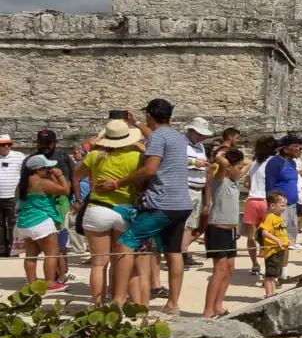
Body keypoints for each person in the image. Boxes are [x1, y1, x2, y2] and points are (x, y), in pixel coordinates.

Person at [99, 100, 194, 315]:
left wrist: (117, 183)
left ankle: (118, 300)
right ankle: (172, 304)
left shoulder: (158, 138)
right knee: (174, 252)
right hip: (182, 203)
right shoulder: (177, 137)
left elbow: (150, 169)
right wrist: (137, 123)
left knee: (125, 244)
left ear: (151, 115)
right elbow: (155, 136)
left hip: (162, 203)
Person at [74, 118, 143, 305]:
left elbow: (76, 174)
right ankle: (117, 300)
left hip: (98, 208)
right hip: (124, 210)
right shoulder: (135, 158)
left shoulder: (95, 156)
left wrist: (80, 198)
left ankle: (98, 305)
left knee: (98, 263)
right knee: (120, 260)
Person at [15, 154, 71, 291]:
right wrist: (60, 175)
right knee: (52, 252)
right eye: (46, 168)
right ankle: (50, 283)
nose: (49, 170)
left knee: (31, 255)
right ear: (38, 170)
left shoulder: (22, 184)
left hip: (25, 222)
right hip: (41, 221)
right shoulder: (42, 182)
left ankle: (31, 283)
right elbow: (65, 190)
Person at [203, 148, 246, 318]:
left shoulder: (235, 181)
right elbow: (222, 163)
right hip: (217, 230)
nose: (242, 170)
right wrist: (220, 156)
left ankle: (218, 306)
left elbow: (248, 161)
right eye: (239, 167)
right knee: (219, 270)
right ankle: (207, 311)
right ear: (230, 167)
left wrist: (238, 160)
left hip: (230, 231)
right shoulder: (219, 180)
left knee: (229, 270)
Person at [264, 135, 302, 278]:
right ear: (286, 149)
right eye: (297, 147)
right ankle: (273, 273)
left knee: (287, 241)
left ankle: (283, 271)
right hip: (279, 209)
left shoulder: (292, 164)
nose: (300, 149)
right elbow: (269, 186)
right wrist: (272, 208)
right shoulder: (275, 163)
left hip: (291, 205)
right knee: (277, 240)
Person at [240, 135, 275, 279]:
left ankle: (254, 264)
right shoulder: (273, 162)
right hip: (266, 200)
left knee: (250, 236)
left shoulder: (255, 162)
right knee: (269, 236)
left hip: (252, 200)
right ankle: (268, 265)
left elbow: (246, 183)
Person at [182, 117, 213, 267]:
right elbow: (173, 159)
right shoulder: (181, 144)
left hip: (197, 188)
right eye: (199, 134)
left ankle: (183, 252)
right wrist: (194, 162)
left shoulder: (200, 146)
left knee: (191, 224)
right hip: (185, 188)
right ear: (191, 130)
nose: (201, 137)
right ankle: (179, 254)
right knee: (183, 224)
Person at [258, 191, 289, 298]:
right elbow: (264, 232)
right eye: (282, 205)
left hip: (279, 251)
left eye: (285, 205)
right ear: (272, 206)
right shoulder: (270, 217)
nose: (284, 208)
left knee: (274, 275)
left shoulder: (279, 217)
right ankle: (268, 294)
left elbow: (281, 232)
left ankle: (273, 293)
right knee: (269, 275)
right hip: (272, 252)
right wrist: (276, 240)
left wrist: (286, 241)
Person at [0, 134, 25, 258]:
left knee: (13, 224)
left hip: (12, 196)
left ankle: (14, 250)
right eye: (1, 145)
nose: (4, 147)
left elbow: (25, 175)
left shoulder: (19, 157)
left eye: (6, 144)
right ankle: (1, 249)